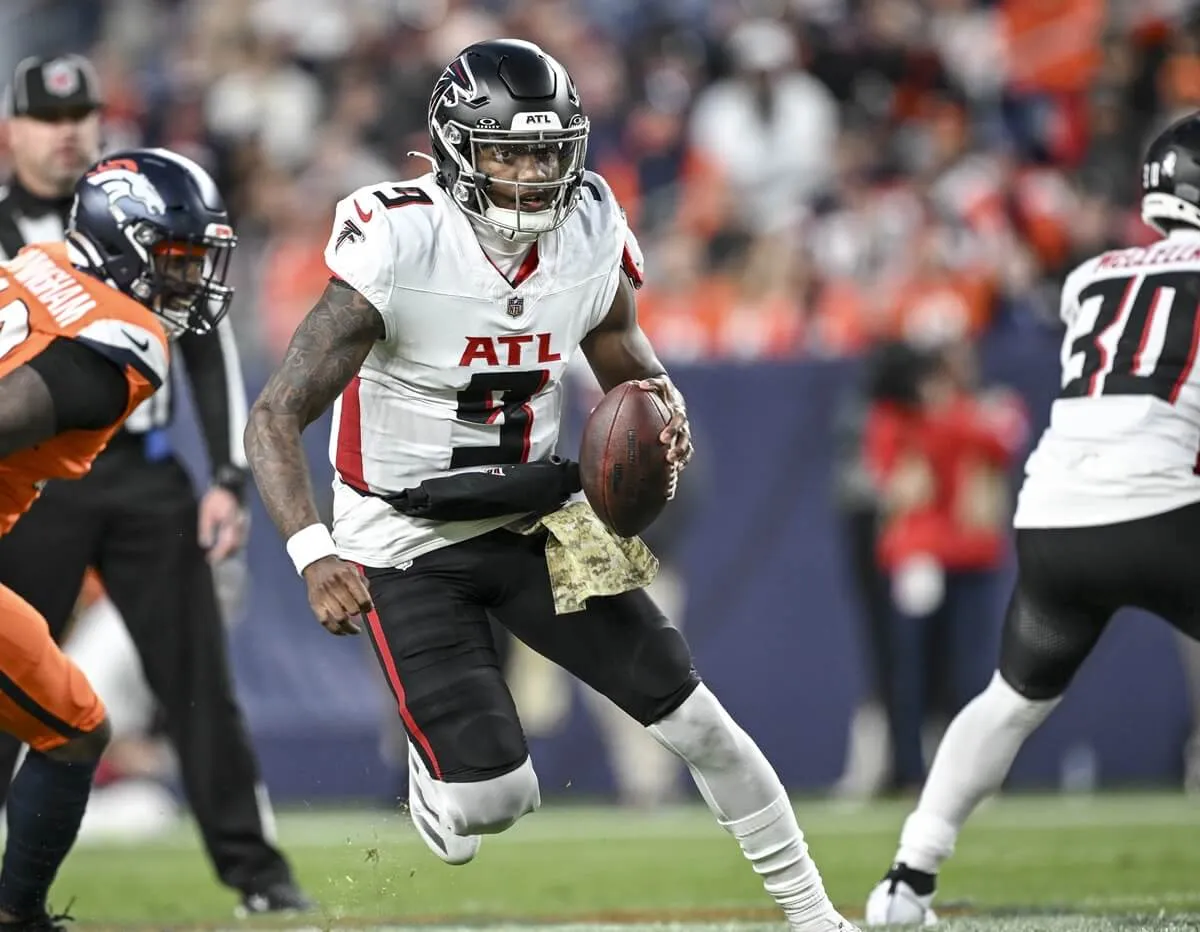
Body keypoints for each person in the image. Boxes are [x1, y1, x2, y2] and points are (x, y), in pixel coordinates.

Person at [245, 39, 855, 932]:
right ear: (455, 149)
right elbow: (272, 415)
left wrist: (660, 404)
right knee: (498, 799)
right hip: (402, 535)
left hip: (540, 510)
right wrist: (312, 552)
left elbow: (622, 352)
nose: (532, 173)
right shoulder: (400, 239)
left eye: (547, 149)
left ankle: (814, 914)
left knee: (697, 716)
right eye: (506, 152)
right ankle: (444, 774)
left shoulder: (590, 226)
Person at [865, 111, 1200, 926]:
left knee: (1011, 700)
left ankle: (906, 879)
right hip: (1164, 506)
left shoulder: (1093, 276)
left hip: (1055, 516)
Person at [0, 56, 310, 916]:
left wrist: (226, 472)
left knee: (187, 680)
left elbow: (204, 346)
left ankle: (256, 872)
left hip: (134, 473)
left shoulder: (68, 256)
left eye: (82, 115)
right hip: (43, 481)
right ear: (14, 130)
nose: (67, 129)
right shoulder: (117, 318)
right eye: (46, 116)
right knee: (46, 707)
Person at [0, 146, 232, 930]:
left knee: (75, 722)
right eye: (176, 259)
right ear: (122, 242)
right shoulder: (123, 333)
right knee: (71, 726)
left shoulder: (40, 262)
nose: (189, 280)